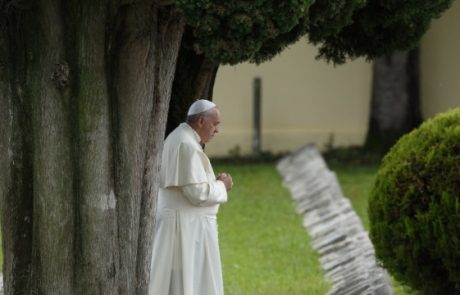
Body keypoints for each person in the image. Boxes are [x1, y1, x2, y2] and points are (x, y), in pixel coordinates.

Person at [149, 99, 233, 295]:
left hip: (187, 225)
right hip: (184, 227)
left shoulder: (183, 139)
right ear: (201, 121)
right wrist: (222, 185)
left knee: (186, 281)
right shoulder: (185, 144)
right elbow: (196, 193)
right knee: (185, 283)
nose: (217, 130)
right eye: (215, 123)